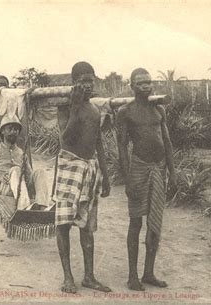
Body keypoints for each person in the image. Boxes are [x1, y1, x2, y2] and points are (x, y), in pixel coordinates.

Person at [116, 68, 178, 291]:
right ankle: (133, 276)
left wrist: (173, 171)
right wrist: (127, 179)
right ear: (132, 86)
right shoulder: (125, 112)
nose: (146, 86)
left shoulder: (158, 109)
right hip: (139, 168)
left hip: (159, 169)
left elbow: (168, 143)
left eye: (149, 82)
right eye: (141, 83)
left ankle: (148, 273)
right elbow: (122, 146)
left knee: (155, 223)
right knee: (136, 222)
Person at [54, 61, 111, 294]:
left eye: (91, 80)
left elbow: (98, 143)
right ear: (74, 82)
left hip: (90, 169)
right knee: (64, 223)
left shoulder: (96, 110)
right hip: (69, 166)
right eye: (83, 80)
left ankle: (89, 276)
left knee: (86, 225)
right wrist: (75, 107)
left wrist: (105, 176)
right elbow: (65, 138)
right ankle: (68, 277)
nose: (88, 85)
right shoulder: (65, 107)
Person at [0, 115, 50, 217]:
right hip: (4, 189)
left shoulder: (21, 153)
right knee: (15, 170)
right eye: (10, 129)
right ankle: (24, 207)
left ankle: (43, 207)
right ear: (2, 131)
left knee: (40, 172)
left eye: (16, 129)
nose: (13, 132)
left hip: (21, 188)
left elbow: (29, 177)